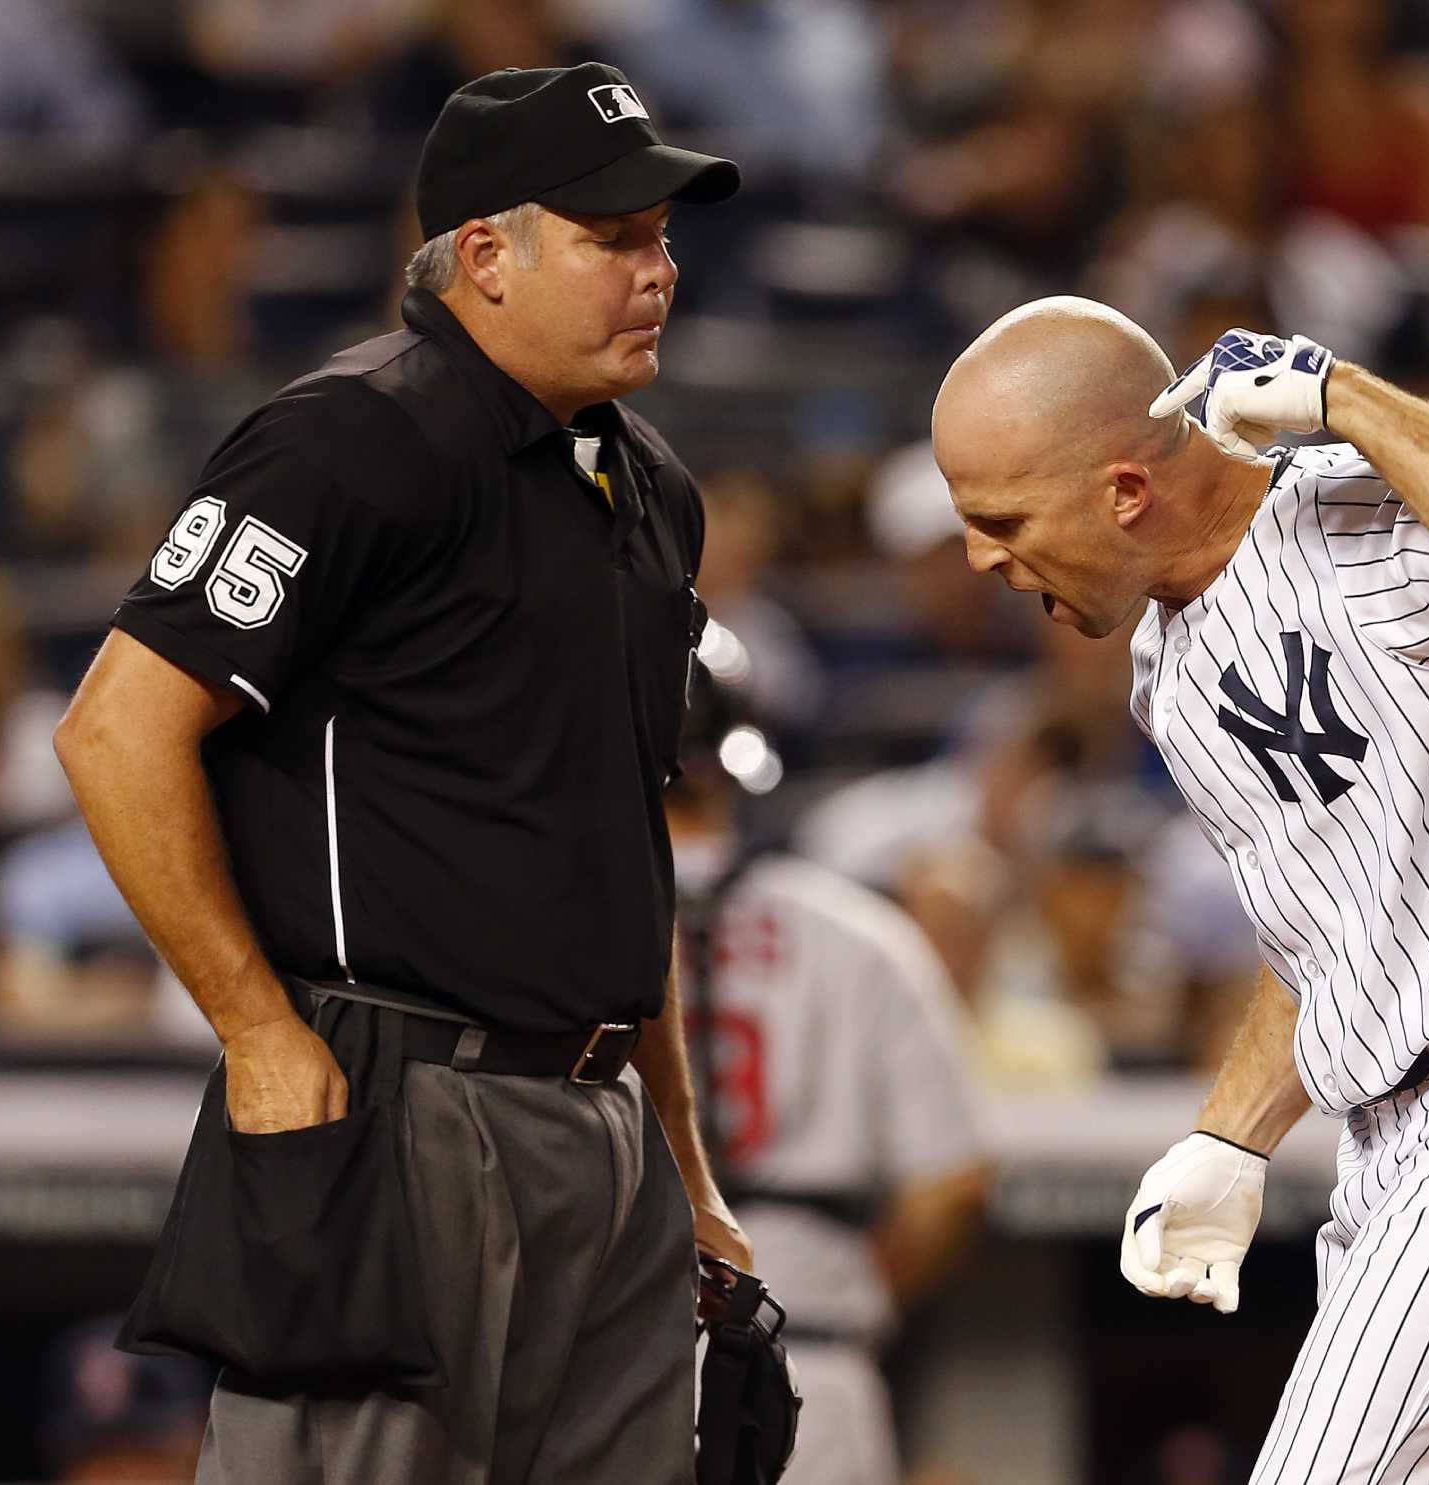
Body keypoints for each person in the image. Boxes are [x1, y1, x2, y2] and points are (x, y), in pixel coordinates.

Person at [54, 63, 745, 1485]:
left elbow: (629, 846)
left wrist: (686, 1163)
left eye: (663, 238)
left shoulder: (650, 488)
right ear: (485, 255)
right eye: (615, 238)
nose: (657, 270)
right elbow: (116, 731)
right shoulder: (353, 434)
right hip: (405, 1101)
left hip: (603, 1125)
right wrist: (255, 1027)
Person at [931, 300, 1429, 1485]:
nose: (982, 558)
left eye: (999, 519)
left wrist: (1345, 397)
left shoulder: (1364, 501)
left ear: (1125, 492)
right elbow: (1329, 930)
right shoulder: (1167, 666)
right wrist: (1228, 1136)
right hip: (1403, 1144)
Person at [671, 632, 990, 1485]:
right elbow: (953, 1178)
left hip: (621, 1372)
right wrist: (845, 1279)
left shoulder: (557, 936)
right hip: (809, 1362)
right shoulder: (860, 932)